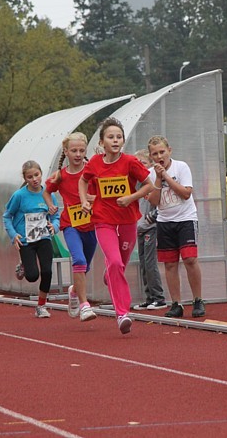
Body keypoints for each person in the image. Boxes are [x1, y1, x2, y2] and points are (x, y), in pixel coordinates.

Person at [79, 118, 153, 334]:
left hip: (128, 219)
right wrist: (84, 201)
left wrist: (131, 197)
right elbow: (83, 180)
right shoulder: (94, 162)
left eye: (119, 137)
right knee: (114, 262)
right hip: (103, 220)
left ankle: (110, 275)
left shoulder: (130, 162)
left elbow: (149, 185)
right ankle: (122, 313)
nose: (115, 140)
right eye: (111, 137)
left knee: (119, 264)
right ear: (102, 142)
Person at [147, 135, 205, 319]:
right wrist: (157, 178)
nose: (159, 156)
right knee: (170, 264)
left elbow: (186, 193)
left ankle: (198, 300)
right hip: (165, 221)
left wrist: (165, 176)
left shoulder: (181, 167)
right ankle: (176, 303)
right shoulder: (149, 174)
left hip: (186, 219)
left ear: (169, 150)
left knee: (189, 259)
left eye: (162, 152)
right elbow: (154, 201)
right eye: (155, 154)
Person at [44, 132, 99, 323]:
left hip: (91, 224)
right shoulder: (61, 176)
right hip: (70, 225)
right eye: (74, 150)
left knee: (85, 267)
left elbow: (101, 194)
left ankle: (74, 291)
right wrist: (51, 205)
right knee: (79, 260)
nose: (77, 154)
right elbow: (47, 192)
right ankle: (85, 306)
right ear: (66, 152)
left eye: (81, 150)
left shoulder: (92, 173)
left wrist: (92, 199)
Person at [4, 160, 60, 318]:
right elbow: (7, 216)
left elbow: (56, 216)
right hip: (26, 241)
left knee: (47, 272)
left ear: (41, 174)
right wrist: (13, 235)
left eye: (37, 175)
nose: (34, 179)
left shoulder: (49, 194)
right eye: (30, 177)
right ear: (25, 178)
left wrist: (54, 227)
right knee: (32, 276)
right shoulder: (19, 196)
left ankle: (41, 306)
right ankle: (23, 265)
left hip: (43, 238)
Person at [132, 149, 166, 311]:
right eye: (136, 163)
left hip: (151, 228)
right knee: (143, 264)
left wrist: (150, 219)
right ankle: (149, 297)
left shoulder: (153, 182)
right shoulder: (135, 185)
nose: (139, 166)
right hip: (139, 229)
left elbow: (162, 205)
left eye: (143, 163)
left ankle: (159, 297)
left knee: (150, 263)